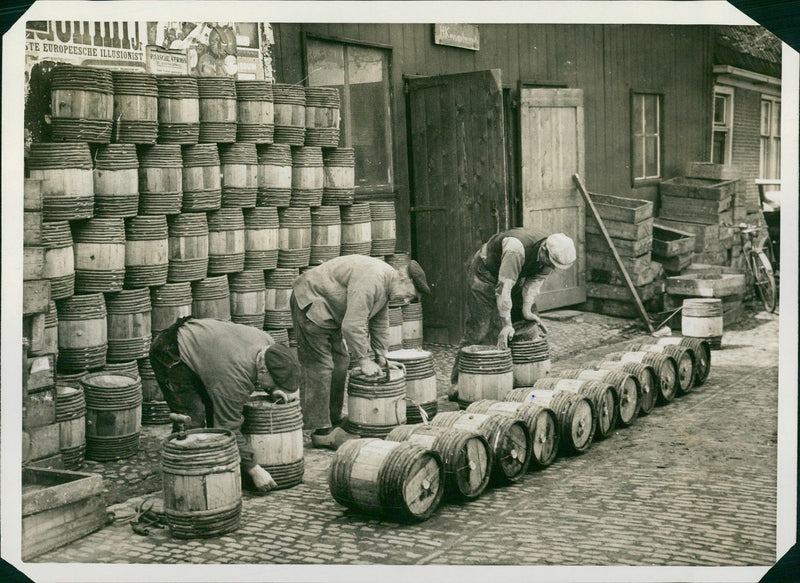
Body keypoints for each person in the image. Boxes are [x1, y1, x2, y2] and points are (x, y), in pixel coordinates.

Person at [291, 255, 430, 449]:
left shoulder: (387, 285)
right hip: (311, 301)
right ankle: (321, 431)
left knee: (340, 362)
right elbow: (353, 324)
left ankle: (333, 418)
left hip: (330, 308)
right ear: (403, 279)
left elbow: (379, 321)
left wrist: (381, 356)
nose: (407, 301)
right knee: (321, 365)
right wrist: (364, 360)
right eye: (410, 295)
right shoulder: (372, 279)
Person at [149, 316, 301, 495]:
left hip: (204, 343)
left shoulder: (267, 343)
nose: (271, 388)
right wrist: (254, 469)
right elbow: (227, 427)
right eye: (273, 384)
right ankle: (182, 479)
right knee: (192, 419)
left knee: (215, 407)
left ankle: (216, 463)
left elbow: (266, 371)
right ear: (263, 371)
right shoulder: (234, 378)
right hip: (170, 351)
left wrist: (273, 390)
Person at [450, 228, 577, 387]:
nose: (550, 267)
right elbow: (503, 290)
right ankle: (458, 385)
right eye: (550, 262)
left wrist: (527, 309)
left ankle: (515, 378)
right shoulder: (516, 249)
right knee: (481, 329)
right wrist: (506, 324)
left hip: (514, 276)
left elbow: (535, 281)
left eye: (554, 265)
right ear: (544, 249)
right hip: (485, 273)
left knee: (528, 326)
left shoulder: (551, 254)